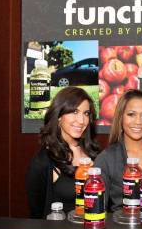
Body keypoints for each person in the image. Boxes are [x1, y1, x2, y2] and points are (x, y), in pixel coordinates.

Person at [25, 87, 99, 218]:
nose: (82, 121)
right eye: (74, 112)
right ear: (59, 115)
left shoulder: (96, 154)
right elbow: (37, 216)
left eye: (86, 113)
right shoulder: (43, 161)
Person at [94, 89, 142, 212]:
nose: (138, 122)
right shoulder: (106, 158)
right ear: (121, 117)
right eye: (131, 114)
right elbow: (97, 211)